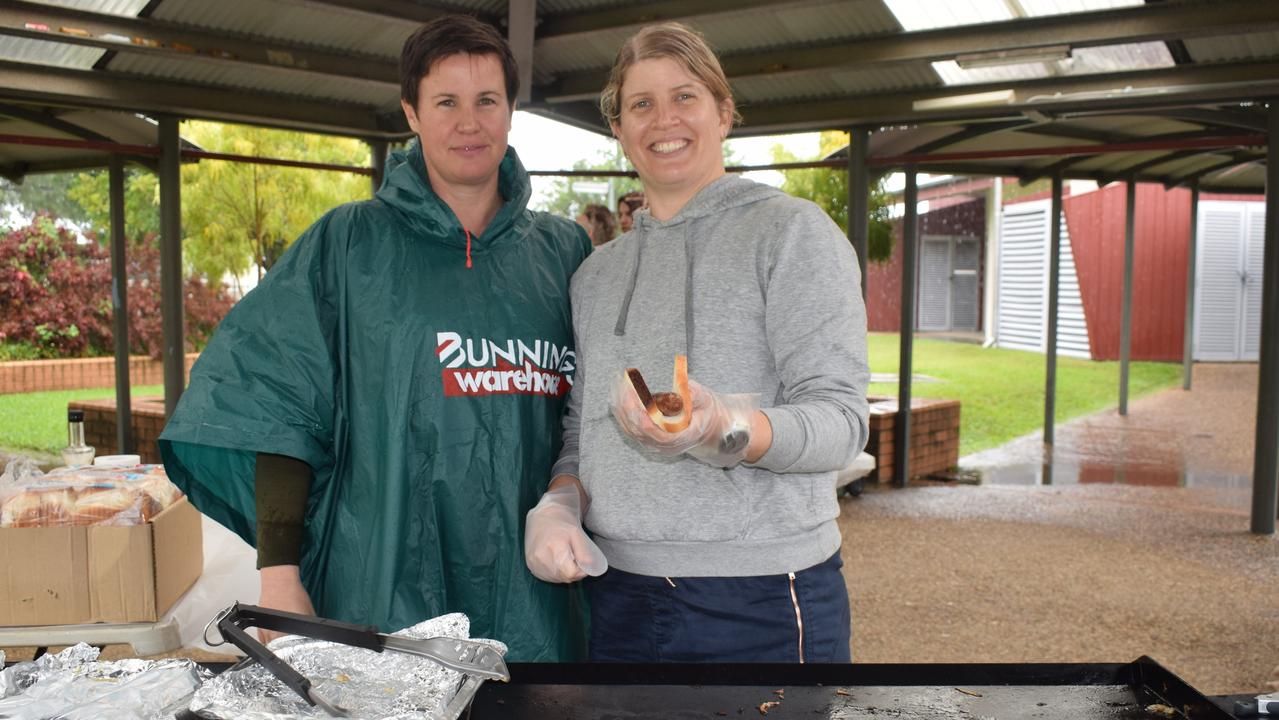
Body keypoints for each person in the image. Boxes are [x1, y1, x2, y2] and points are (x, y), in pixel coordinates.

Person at [158, 15, 592, 661]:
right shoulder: (347, 245)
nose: (467, 123)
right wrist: (279, 575)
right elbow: (271, 403)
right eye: (445, 102)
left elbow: (595, 421)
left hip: (539, 598)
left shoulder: (564, 251)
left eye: (486, 101)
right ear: (411, 113)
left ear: (510, 112)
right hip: (382, 582)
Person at [524, 22, 869, 663]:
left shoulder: (792, 234)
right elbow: (583, 430)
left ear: (724, 112)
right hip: (616, 594)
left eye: (685, 96)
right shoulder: (595, 274)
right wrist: (559, 503)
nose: (664, 120)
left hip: (763, 597)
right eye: (641, 104)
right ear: (620, 129)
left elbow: (842, 421)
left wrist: (724, 429)